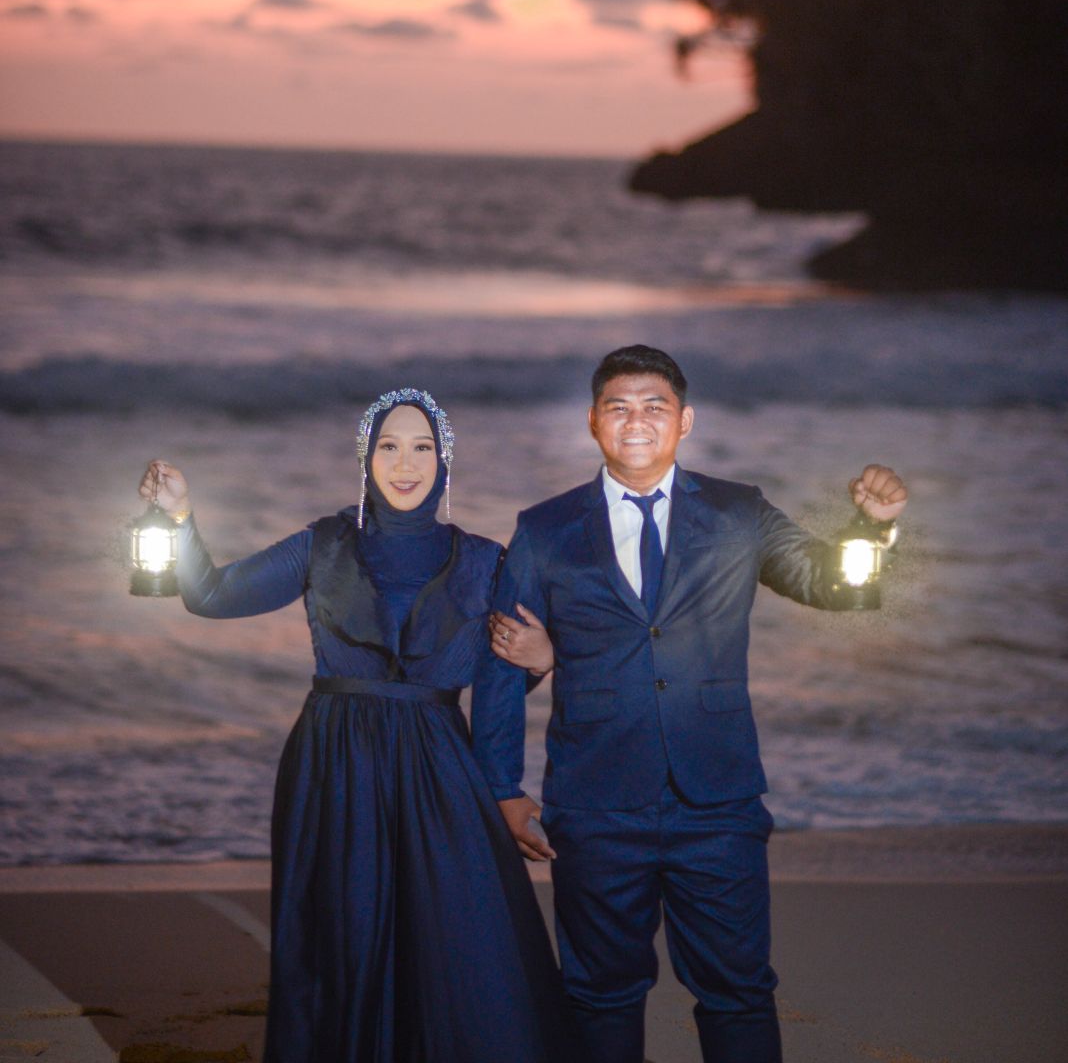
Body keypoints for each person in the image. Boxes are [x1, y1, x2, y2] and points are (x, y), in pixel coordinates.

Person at [472, 344, 908, 1063]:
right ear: (592, 421)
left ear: (685, 421)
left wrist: (873, 530)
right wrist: (501, 788)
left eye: (655, 406)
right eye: (618, 406)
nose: (636, 420)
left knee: (738, 991)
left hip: (718, 804)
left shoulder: (739, 511)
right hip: (596, 804)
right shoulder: (544, 528)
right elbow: (500, 664)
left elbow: (833, 585)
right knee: (598, 993)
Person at [138, 387, 576, 1063]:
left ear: (444, 460)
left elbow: (498, 688)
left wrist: (507, 785)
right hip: (334, 764)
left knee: (461, 935)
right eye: (389, 446)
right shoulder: (323, 543)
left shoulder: (488, 561)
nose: (405, 464)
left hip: (440, 766)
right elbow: (212, 594)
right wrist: (179, 515)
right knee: (342, 935)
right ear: (366, 458)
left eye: (422, 447)